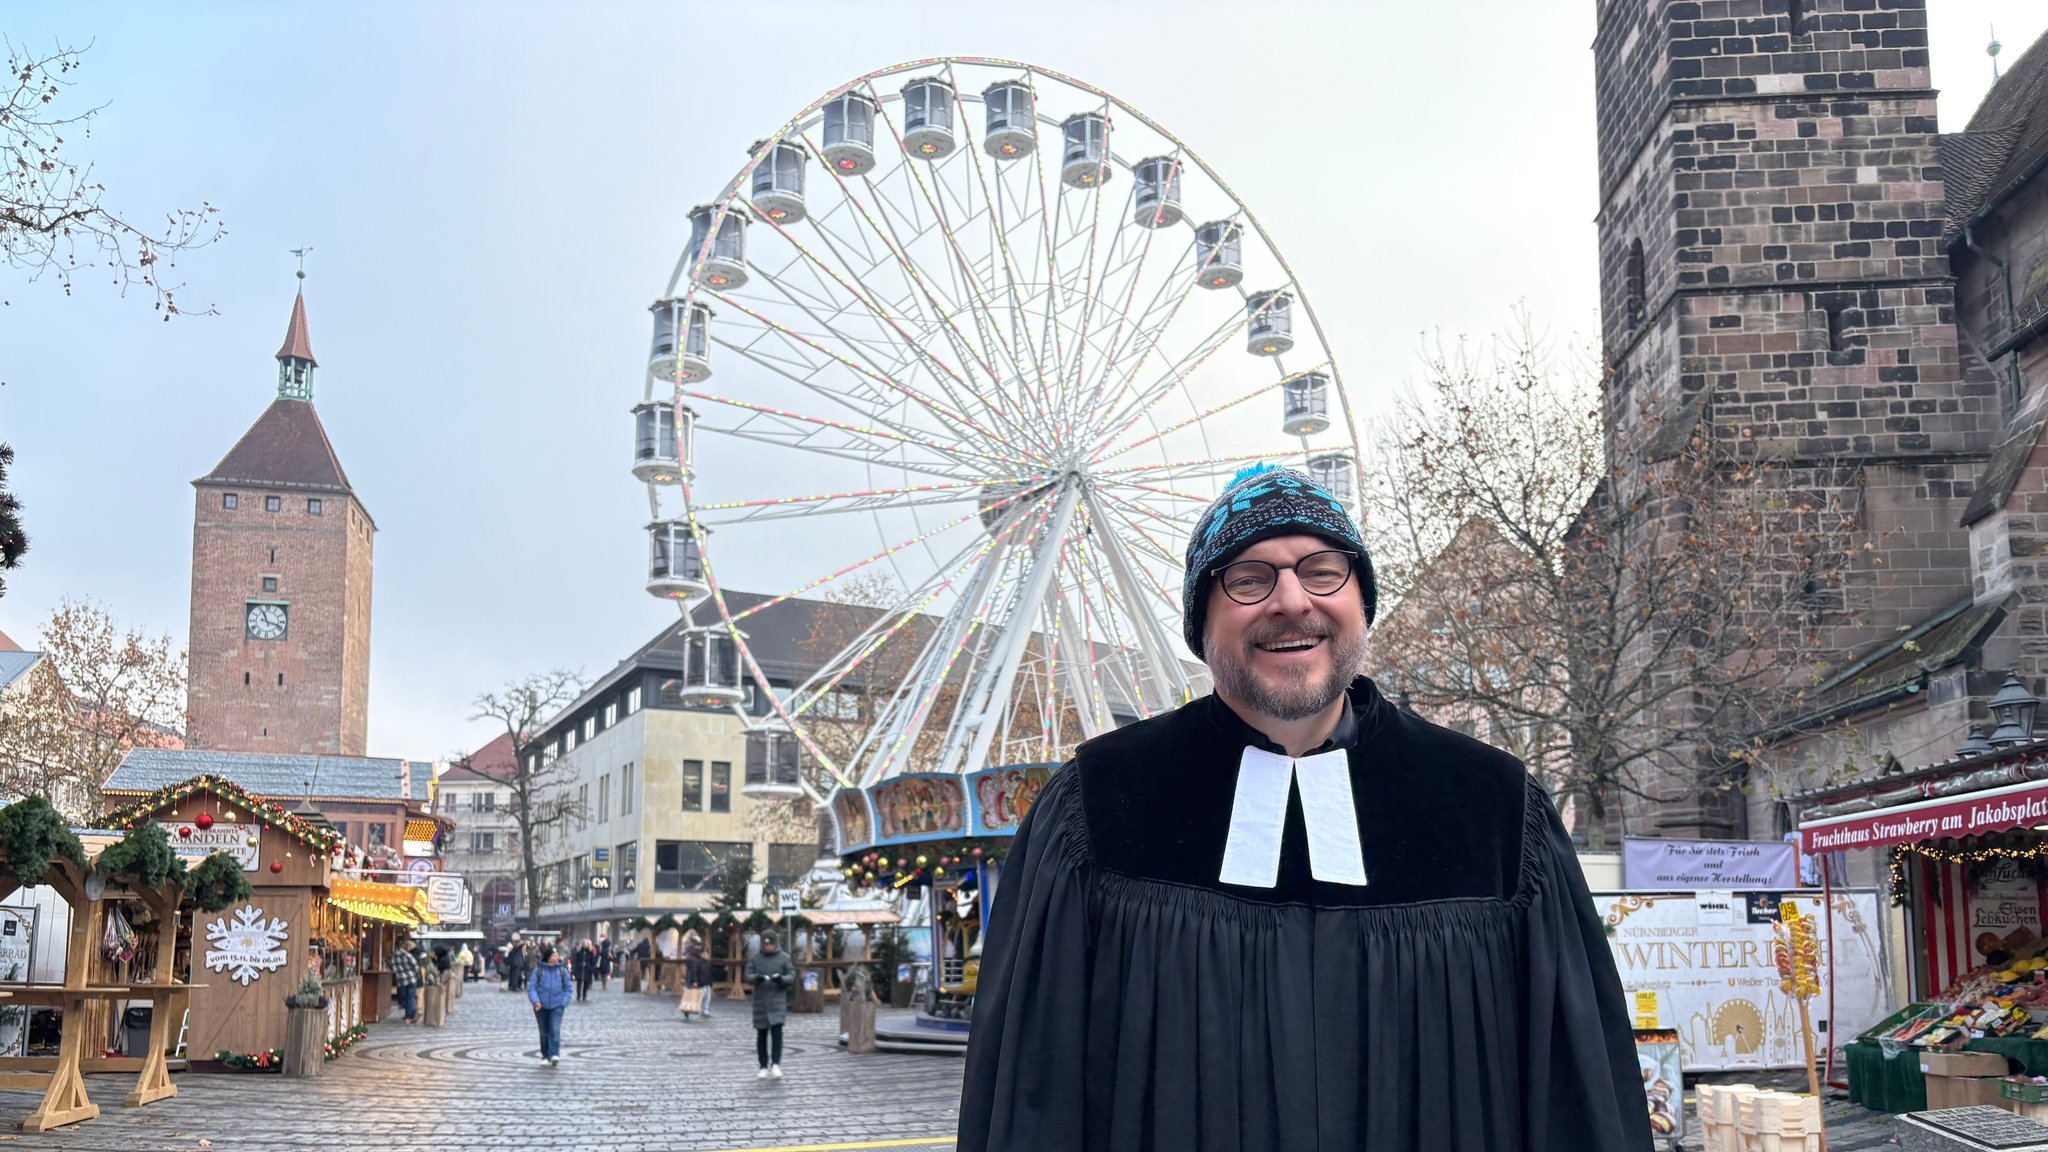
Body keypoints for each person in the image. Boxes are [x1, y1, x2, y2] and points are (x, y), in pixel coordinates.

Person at [957, 465, 1652, 1152]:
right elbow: (1031, 1092)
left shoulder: (1496, 810)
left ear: (1361, 600)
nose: (1292, 600)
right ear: (1202, 622)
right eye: (1249, 578)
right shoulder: (1097, 810)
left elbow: (1576, 1097)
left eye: (1323, 570)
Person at [745, 930, 795, 1079]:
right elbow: (747, 975)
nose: (769, 947)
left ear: (776, 943)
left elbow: (792, 976)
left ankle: (776, 1064)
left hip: (777, 1001)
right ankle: (763, 1066)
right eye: (766, 945)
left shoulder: (784, 958)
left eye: (771, 944)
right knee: (761, 1035)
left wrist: (781, 979)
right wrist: (757, 978)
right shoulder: (756, 958)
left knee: (777, 1034)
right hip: (760, 1003)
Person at [528, 944, 573, 1066]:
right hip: (540, 1006)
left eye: (557, 955)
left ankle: (554, 1054)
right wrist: (536, 1001)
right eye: (553, 955)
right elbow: (532, 988)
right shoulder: (538, 971)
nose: (556, 957)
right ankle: (545, 1055)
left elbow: (568, 989)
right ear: (548, 957)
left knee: (554, 1029)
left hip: (557, 1006)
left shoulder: (562, 971)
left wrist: (563, 1003)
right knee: (543, 1033)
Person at [679, 930, 714, 1021]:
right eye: (705, 953)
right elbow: (695, 972)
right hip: (700, 983)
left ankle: (705, 1011)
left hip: (706, 983)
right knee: (696, 998)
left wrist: (710, 983)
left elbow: (709, 973)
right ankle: (688, 1011)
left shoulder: (707, 963)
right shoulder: (696, 961)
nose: (706, 955)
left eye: (707, 953)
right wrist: (695, 981)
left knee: (707, 998)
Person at [389, 938, 422, 1024]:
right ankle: (412, 1014)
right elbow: (416, 967)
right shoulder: (408, 955)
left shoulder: (393, 955)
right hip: (411, 979)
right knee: (410, 998)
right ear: (407, 947)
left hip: (401, 980)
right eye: (411, 947)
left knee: (401, 999)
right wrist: (417, 976)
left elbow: (391, 966)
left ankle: (409, 1015)